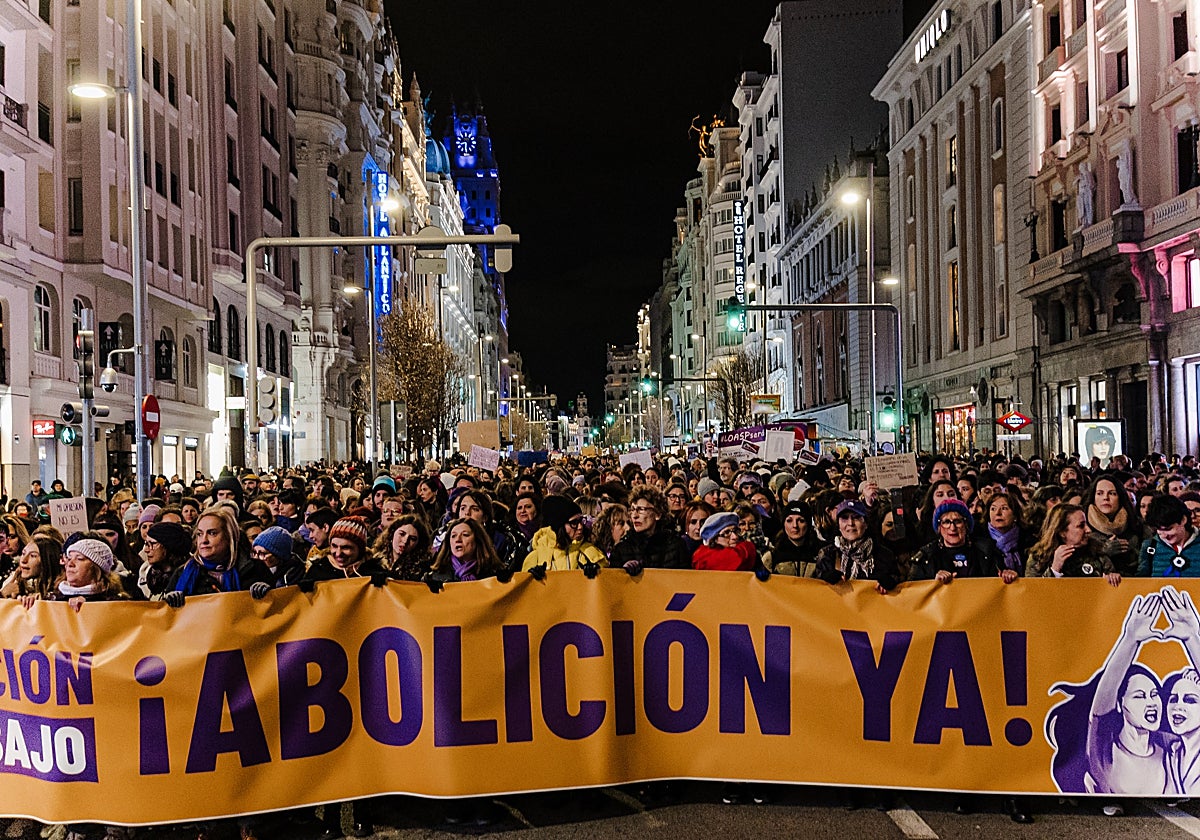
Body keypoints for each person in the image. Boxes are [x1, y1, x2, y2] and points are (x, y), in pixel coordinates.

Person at [166, 504, 272, 601]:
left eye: (212, 533)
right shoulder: (182, 572)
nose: (204, 540)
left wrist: (268, 594)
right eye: (199, 534)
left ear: (229, 536)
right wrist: (171, 603)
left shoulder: (254, 569)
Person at [908, 499, 1011, 584]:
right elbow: (914, 594)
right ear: (939, 527)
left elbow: (1001, 582)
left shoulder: (987, 550)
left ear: (966, 525)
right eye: (946, 522)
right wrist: (933, 584)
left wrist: (1008, 576)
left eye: (957, 521)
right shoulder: (926, 556)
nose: (952, 528)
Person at [813, 500, 899, 593]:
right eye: (844, 518)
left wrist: (891, 582)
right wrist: (824, 578)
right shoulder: (828, 554)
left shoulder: (884, 555)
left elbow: (898, 580)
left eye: (856, 517)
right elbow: (816, 590)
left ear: (865, 524)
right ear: (838, 525)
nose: (850, 523)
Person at [1027, 504, 1121, 585]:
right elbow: (1034, 594)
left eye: (1086, 524)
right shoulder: (1039, 557)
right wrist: (1054, 570)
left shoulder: (1097, 552)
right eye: (1081, 526)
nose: (1088, 530)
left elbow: (1111, 586)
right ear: (1062, 531)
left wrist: (1112, 579)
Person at [608, 487, 690, 573]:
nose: (635, 515)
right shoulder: (621, 549)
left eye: (641, 509)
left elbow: (685, 581)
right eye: (632, 510)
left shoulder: (676, 545)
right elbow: (614, 583)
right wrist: (622, 572)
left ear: (657, 514)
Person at [522, 496, 606, 572]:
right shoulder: (536, 557)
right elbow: (524, 587)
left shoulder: (590, 552)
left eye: (581, 520)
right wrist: (532, 579)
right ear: (559, 526)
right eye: (574, 523)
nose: (580, 527)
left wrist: (598, 573)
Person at [1083, 475, 1142, 577]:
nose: (1105, 498)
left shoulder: (1137, 526)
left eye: (1112, 493)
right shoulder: (1082, 525)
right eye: (1100, 493)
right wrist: (1100, 551)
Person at [303, 517, 388, 585]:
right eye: (334, 546)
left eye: (346, 548)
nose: (338, 553)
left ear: (360, 549)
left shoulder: (375, 572)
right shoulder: (318, 570)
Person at [427, 518, 504, 585]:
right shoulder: (436, 576)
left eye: (465, 535)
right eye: (453, 536)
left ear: (478, 540)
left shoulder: (494, 574)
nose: (458, 540)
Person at [1139, 494, 1200, 577]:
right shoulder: (1150, 546)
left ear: (1183, 520)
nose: (1164, 535)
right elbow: (1140, 580)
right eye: (1159, 529)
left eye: (1168, 529)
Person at [763, 500, 822, 577]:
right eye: (789, 521)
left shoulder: (822, 553)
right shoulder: (772, 556)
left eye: (801, 521)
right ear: (783, 524)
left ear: (808, 524)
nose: (795, 525)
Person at [136, 522, 192, 600]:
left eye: (152, 543)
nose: (146, 550)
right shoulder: (145, 572)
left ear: (168, 546)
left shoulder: (190, 574)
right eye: (146, 543)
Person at [1, 533, 61, 600]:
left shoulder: (61, 591)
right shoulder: (15, 583)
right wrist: (2, 594)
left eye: (33, 556)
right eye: (23, 553)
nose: (23, 560)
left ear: (47, 561)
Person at [375, 514, 434, 582]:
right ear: (392, 533)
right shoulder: (373, 563)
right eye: (402, 534)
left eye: (412, 539)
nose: (405, 541)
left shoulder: (422, 571)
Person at [692, 512, 756, 571]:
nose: (735, 537)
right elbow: (735, 558)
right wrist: (748, 547)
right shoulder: (704, 556)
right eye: (727, 532)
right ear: (714, 538)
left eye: (735, 531)